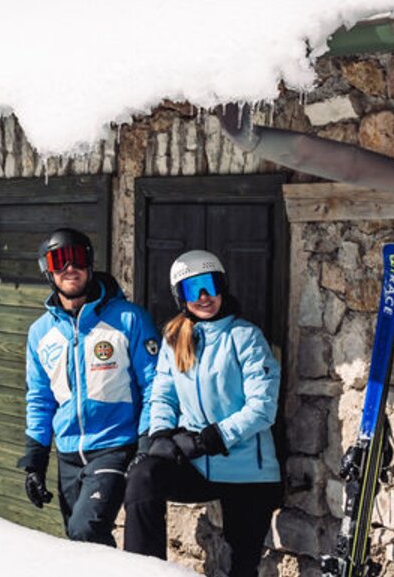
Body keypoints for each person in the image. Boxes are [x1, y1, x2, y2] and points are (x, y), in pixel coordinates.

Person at [123, 250, 283, 577]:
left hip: (247, 473)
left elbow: (263, 407)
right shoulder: (175, 339)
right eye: (191, 290)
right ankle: (142, 570)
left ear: (222, 286)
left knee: (241, 566)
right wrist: (161, 435)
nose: (203, 297)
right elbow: (163, 394)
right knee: (143, 476)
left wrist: (214, 436)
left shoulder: (246, 337)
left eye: (209, 285)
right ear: (180, 297)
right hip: (197, 466)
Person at [19, 228, 160, 546]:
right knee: (77, 539)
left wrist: (146, 441)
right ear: (48, 270)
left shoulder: (128, 320)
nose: (70, 267)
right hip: (68, 454)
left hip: (114, 447)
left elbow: (154, 384)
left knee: (86, 531)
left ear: (91, 263)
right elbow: (40, 398)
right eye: (59, 259)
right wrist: (35, 462)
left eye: (78, 257)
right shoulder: (40, 333)